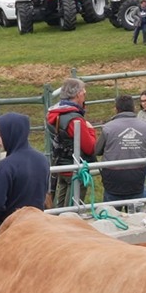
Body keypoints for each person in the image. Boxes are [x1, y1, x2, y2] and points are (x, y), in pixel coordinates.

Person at [0, 111, 49, 230]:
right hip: (37, 224)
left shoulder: (5, 166)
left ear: (12, 133)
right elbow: (44, 192)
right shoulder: (42, 160)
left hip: (12, 227)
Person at [45, 78, 98, 207]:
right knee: (71, 211)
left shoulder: (53, 114)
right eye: (84, 94)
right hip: (75, 170)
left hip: (61, 167)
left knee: (60, 209)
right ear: (78, 94)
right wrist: (91, 130)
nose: (85, 97)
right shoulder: (75, 120)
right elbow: (90, 148)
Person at [98, 95, 146, 206]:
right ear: (133, 108)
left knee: (112, 216)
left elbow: (97, 150)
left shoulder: (108, 127)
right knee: (136, 216)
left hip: (113, 177)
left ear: (116, 109)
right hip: (137, 175)